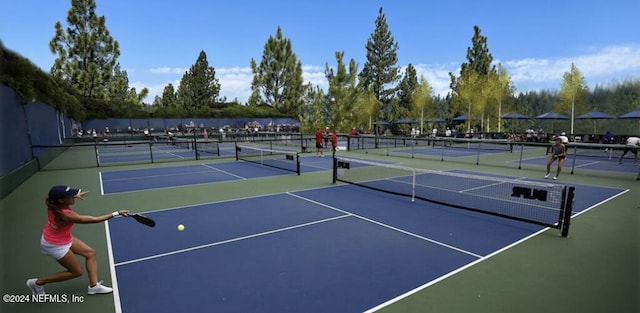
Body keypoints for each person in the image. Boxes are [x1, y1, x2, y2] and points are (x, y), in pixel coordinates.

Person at [26, 185, 129, 296]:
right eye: (70, 196)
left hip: (61, 237)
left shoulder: (53, 204)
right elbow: (94, 220)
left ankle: (94, 287)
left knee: (90, 253)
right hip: (55, 245)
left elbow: (61, 199)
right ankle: (38, 283)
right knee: (76, 272)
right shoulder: (66, 215)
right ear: (61, 200)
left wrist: (74, 195)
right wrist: (116, 213)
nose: (73, 197)